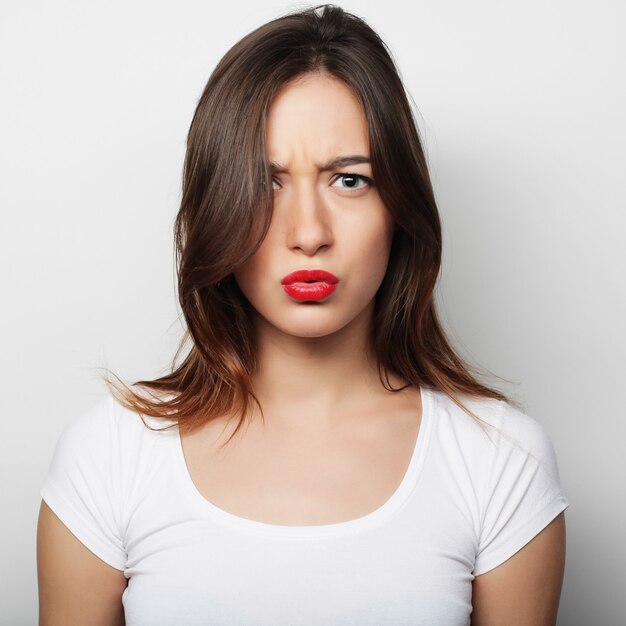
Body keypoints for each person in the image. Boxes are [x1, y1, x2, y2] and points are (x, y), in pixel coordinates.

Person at [36, 4, 569, 625]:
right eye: (266, 183)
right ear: (217, 207)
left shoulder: (500, 462)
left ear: (399, 206)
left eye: (349, 181)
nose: (308, 234)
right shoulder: (110, 457)